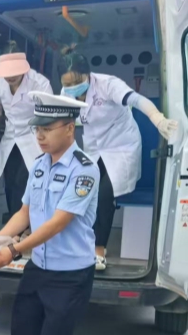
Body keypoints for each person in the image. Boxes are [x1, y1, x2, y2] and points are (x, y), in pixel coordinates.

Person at [0, 92, 99, 335]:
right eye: (37, 128)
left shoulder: (84, 170)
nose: (40, 135)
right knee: (23, 332)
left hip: (71, 274)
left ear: (69, 128)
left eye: (47, 129)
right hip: (39, 269)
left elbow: (56, 223)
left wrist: (15, 250)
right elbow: (24, 213)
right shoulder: (38, 166)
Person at [59, 52, 178, 271]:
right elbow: (62, 120)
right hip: (95, 148)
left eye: (76, 82)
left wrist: (157, 119)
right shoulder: (66, 94)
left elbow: (137, 100)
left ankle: (99, 250)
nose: (72, 88)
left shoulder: (107, 85)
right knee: (84, 190)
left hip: (121, 146)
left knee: (104, 194)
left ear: (87, 75)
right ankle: (79, 243)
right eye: (67, 84)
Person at [0, 42, 52, 220]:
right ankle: (17, 224)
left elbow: (50, 115)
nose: (10, 77)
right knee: (10, 183)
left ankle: (24, 226)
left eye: (14, 72)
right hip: (11, 138)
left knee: (24, 182)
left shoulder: (39, 83)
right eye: (6, 73)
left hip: (33, 138)